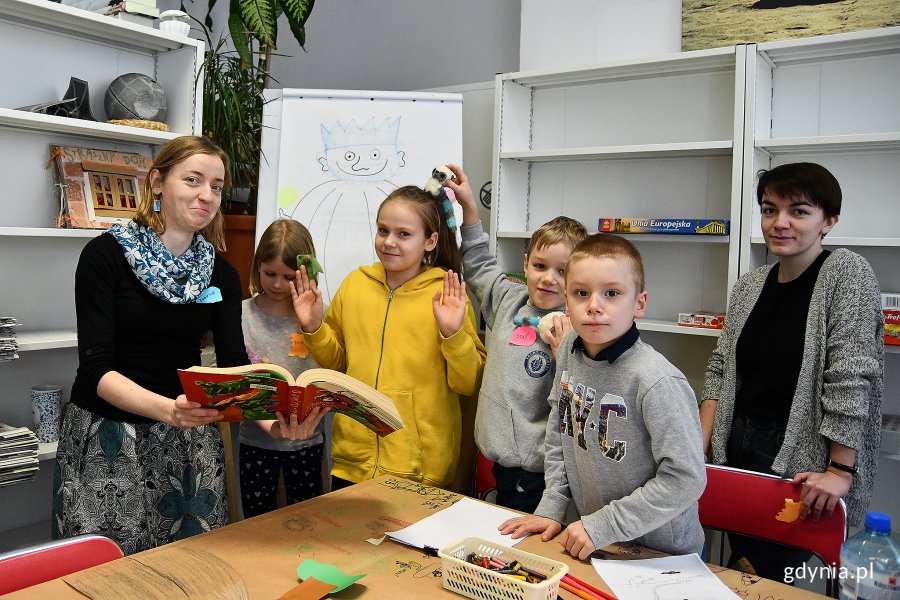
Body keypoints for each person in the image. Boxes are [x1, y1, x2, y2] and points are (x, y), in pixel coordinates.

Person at [53, 136, 324, 555]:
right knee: (110, 570)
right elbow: (95, 368)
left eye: (216, 186)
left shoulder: (219, 273)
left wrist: (275, 426)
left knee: (189, 567)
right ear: (157, 182)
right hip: (111, 438)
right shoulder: (104, 255)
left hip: (189, 441)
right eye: (193, 180)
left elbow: (233, 366)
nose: (207, 195)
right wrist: (167, 410)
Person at [701, 162, 884, 581]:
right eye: (769, 209)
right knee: (734, 566)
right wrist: (700, 445)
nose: (779, 223)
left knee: (762, 575)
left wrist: (841, 470)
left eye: (798, 211)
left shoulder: (846, 273)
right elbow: (720, 367)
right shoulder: (751, 284)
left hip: (801, 455)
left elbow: (851, 376)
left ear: (828, 221)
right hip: (736, 446)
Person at [500, 234, 706, 558]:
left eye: (612, 293)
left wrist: (603, 525)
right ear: (566, 302)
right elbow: (559, 432)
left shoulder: (658, 381)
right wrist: (552, 505)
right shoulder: (568, 348)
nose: (594, 305)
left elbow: (686, 479)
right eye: (582, 293)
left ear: (639, 303)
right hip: (600, 543)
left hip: (661, 555)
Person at [291, 184, 487, 490]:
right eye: (383, 230)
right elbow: (338, 365)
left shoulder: (446, 295)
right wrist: (314, 327)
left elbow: (468, 383)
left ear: (430, 241)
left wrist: (452, 334)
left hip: (419, 469)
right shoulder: (356, 284)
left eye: (404, 234)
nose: (389, 242)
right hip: (352, 460)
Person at [446, 164, 587, 513]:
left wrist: (563, 353)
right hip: (498, 459)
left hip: (538, 469)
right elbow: (478, 264)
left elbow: (576, 403)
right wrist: (469, 209)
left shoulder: (574, 329)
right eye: (540, 266)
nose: (549, 279)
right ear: (525, 265)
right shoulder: (509, 300)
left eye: (563, 271)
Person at [239, 219, 329, 517]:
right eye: (270, 274)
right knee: (256, 518)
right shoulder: (243, 314)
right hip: (255, 440)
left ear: (307, 274)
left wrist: (312, 324)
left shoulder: (317, 316)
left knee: (306, 518)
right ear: (258, 266)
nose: (277, 284)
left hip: (307, 439)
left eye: (288, 277)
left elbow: (330, 369)